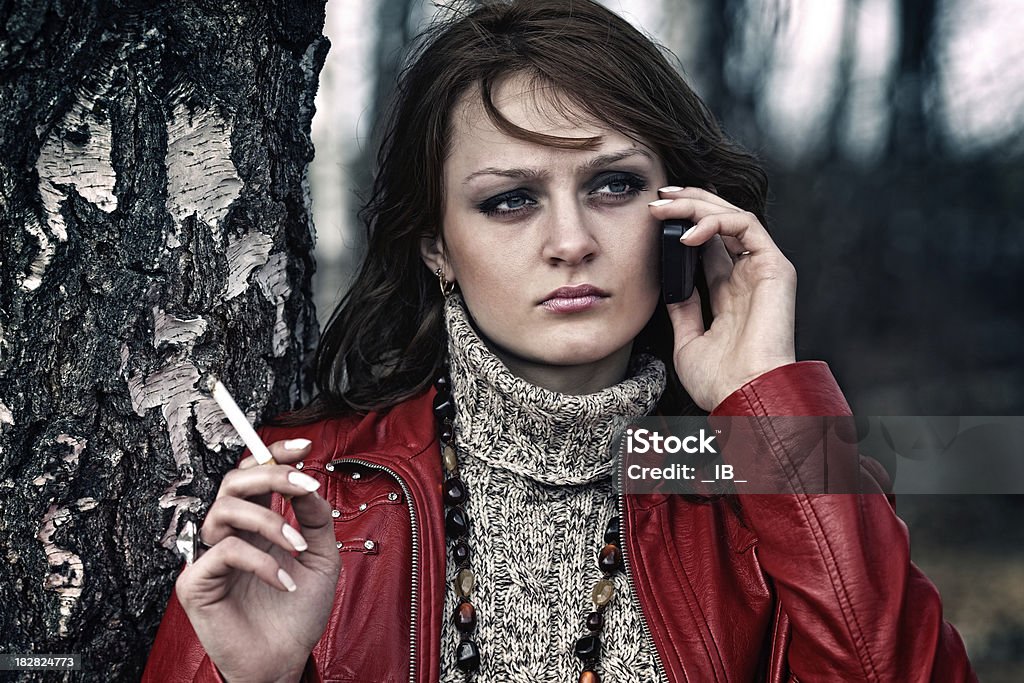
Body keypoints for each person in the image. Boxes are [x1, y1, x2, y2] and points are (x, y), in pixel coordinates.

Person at [144, 1, 977, 681]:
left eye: (613, 184)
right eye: (509, 199)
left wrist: (765, 398)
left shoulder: (775, 478)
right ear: (436, 245)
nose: (571, 240)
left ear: (681, 212)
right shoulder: (305, 497)